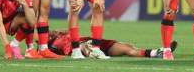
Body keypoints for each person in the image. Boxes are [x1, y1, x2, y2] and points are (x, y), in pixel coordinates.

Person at [45, 29, 178, 58]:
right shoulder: (56, 43)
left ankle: (156, 53)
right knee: (84, 45)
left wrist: (58, 31)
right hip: (86, 43)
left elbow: (68, 29)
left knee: (128, 48)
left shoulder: (59, 35)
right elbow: (75, 46)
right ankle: (91, 52)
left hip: (99, 42)